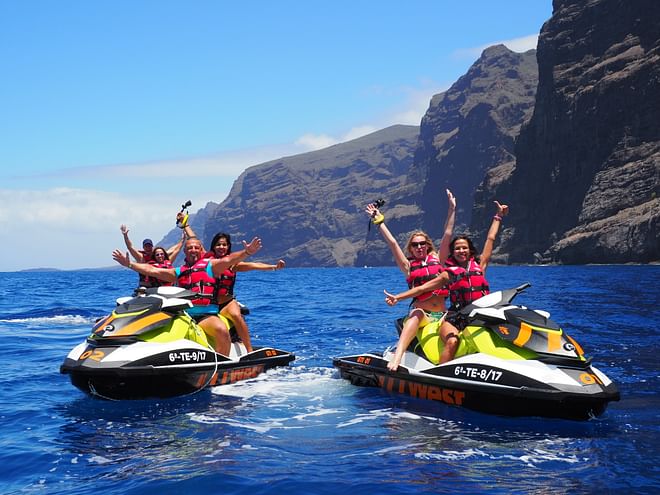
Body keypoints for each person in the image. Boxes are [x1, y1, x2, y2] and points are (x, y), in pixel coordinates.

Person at [112, 236, 262, 355]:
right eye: (190, 248)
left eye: (196, 247)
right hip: (183, 315)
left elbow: (230, 259)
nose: (193, 250)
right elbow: (152, 270)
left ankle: (220, 364)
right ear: (185, 251)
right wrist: (130, 264)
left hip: (205, 316)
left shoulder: (213, 266)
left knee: (221, 330)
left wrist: (247, 252)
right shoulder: (178, 271)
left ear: (201, 251)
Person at [365, 189, 459, 371]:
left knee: (454, 336)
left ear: (428, 245)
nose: (419, 247)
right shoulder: (408, 266)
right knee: (415, 314)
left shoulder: (439, 260)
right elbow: (392, 243)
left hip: (442, 316)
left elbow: (447, 233)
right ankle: (398, 356)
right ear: (411, 248)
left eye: (422, 244)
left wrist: (452, 209)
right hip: (422, 315)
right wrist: (379, 221)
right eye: (415, 245)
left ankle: (446, 369)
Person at [384, 200, 510, 329]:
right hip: (458, 314)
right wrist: (397, 297)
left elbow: (490, 239)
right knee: (451, 340)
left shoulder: (480, 266)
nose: (461, 251)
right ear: (452, 253)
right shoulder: (448, 273)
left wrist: (498, 217)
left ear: (470, 250)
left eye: (464, 248)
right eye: (457, 249)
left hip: (480, 312)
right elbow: (420, 288)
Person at [177, 214, 285, 353]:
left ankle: (249, 350)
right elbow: (194, 239)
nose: (221, 247)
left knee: (235, 316)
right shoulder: (207, 259)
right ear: (213, 246)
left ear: (228, 247)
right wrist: (185, 224)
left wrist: (274, 267)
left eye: (224, 245)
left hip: (226, 302)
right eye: (218, 244)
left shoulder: (232, 263)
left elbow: (253, 265)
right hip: (209, 304)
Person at [120, 224, 184, 287]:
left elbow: (174, 250)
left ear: (152, 247)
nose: (148, 248)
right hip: (145, 287)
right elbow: (130, 247)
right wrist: (125, 235)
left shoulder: (159, 255)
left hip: (160, 287)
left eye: (149, 246)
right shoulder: (141, 257)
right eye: (146, 246)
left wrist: (182, 240)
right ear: (143, 248)